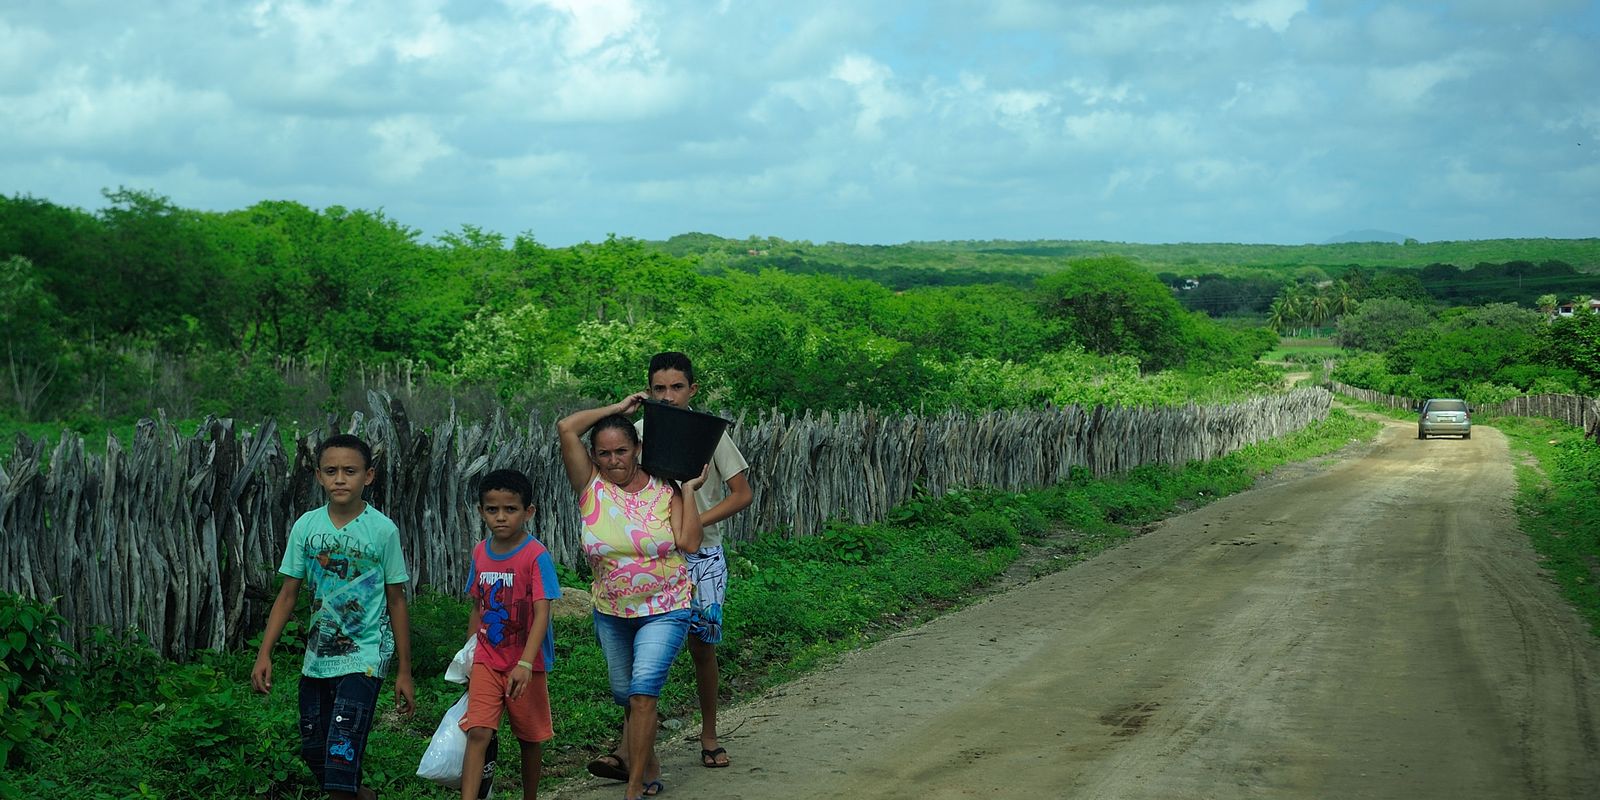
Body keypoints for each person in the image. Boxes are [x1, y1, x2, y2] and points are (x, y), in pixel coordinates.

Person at [558, 394, 706, 800]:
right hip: (611, 611)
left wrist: (689, 491)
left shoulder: (665, 490)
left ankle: (635, 785)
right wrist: (616, 411)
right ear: (594, 456)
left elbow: (689, 542)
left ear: (637, 449)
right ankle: (648, 761)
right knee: (625, 695)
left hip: (666, 608)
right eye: (603, 453)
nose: (613, 460)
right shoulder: (590, 487)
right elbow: (566, 428)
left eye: (621, 450)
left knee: (643, 693)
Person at [252, 433, 415, 800]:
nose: (340, 478)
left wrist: (404, 670)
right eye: (331, 471)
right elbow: (288, 595)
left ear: (368, 476)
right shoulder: (307, 527)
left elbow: (397, 601)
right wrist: (265, 653)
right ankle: (364, 796)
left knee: (341, 754)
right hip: (317, 658)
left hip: (364, 658)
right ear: (318, 476)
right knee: (315, 751)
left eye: (350, 470)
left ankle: (349, 792)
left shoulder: (382, 530)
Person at [459, 468, 561, 800]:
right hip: (487, 659)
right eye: (492, 509)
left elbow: (542, 611)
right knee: (479, 732)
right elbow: (477, 606)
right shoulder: (480, 552)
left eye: (510, 509)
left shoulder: (536, 555)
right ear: (481, 511)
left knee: (529, 738)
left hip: (524, 663)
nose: (501, 517)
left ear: (528, 512)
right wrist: (469, 654)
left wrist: (527, 664)